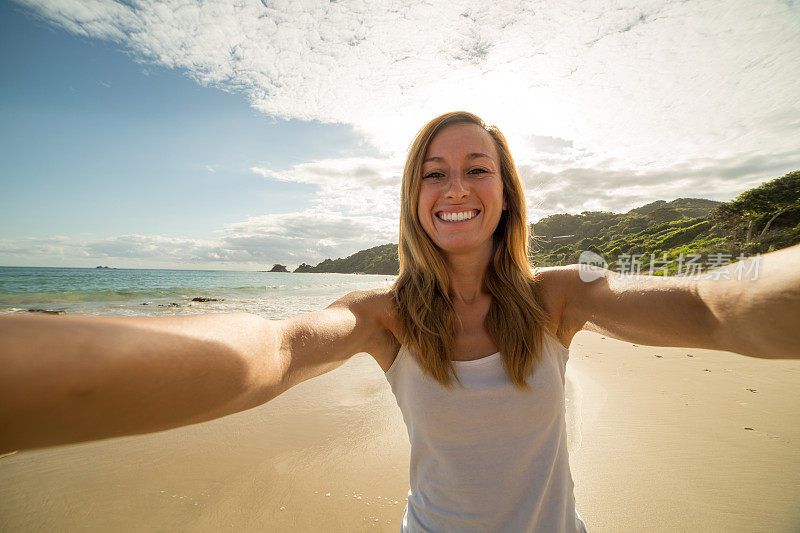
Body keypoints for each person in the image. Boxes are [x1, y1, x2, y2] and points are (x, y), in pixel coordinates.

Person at [1, 111, 799, 532]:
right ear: (414, 199)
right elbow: (274, 350)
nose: (456, 186)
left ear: (506, 193)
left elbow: (709, 305)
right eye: (434, 172)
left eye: (476, 168)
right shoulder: (385, 316)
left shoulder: (561, 295)